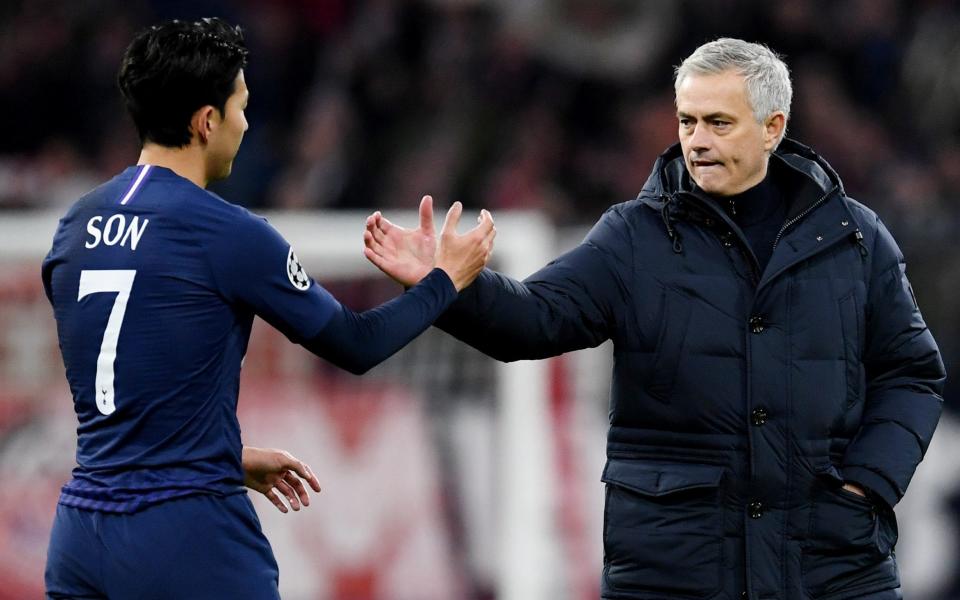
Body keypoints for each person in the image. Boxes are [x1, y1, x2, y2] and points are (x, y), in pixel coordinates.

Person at [364, 38, 945, 600]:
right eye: (687, 121)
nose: (696, 141)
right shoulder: (633, 236)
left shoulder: (856, 238)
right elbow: (535, 319)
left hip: (831, 570)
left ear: (773, 128)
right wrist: (445, 287)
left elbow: (912, 373)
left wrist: (868, 483)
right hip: (676, 573)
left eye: (719, 123)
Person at [42, 17, 495, 600]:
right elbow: (355, 346)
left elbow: (131, 383)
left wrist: (221, 456)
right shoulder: (225, 232)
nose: (247, 122)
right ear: (207, 121)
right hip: (185, 536)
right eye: (241, 106)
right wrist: (443, 282)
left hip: (80, 535)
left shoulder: (72, 228)